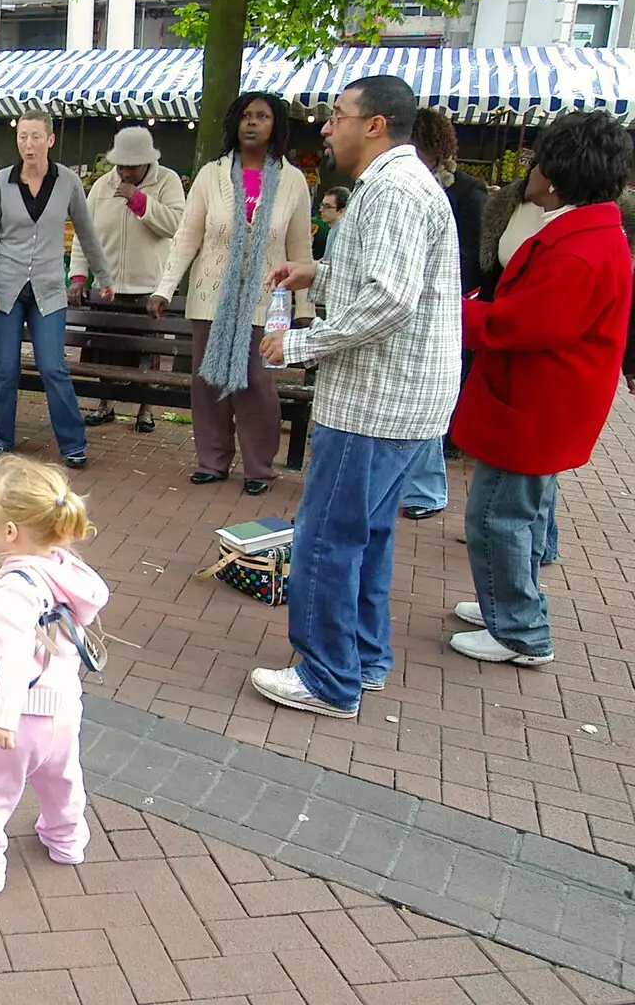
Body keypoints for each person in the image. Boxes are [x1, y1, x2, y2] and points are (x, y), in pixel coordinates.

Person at [250, 75, 461, 718]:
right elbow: (389, 278)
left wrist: (305, 345)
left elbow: (390, 299)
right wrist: (322, 269)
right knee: (365, 534)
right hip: (401, 401)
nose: (325, 126)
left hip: (376, 401)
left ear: (374, 124)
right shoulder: (400, 183)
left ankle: (328, 676)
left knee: (326, 538)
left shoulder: (393, 188)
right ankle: (362, 659)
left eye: (337, 115)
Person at [447, 111, 632, 669]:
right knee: (519, 513)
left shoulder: (580, 246)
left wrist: (455, 312)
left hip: (535, 402)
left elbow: (525, 325)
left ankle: (521, 630)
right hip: (544, 400)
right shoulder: (590, 232)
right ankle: (506, 604)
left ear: (555, 172)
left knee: (496, 516)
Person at [0, 455, 108, 898]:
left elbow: (11, 658)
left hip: (19, 717)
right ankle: (66, 840)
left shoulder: (10, 593)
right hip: (64, 708)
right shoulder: (65, 572)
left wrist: (2, 717)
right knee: (63, 778)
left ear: (10, 532)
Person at [150, 92, 313, 496]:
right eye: (245, 116)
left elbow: (300, 252)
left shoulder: (293, 182)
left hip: (266, 302)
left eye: (262, 116)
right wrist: (164, 288)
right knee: (207, 381)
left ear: (276, 125)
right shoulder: (212, 175)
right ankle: (212, 461)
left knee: (258, 382)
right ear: (234, 124)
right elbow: (187, 237)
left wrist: (305, 307)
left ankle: (259, 467)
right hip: (211, 299)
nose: (252, 123)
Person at [0, 110, 110, 469]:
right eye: (22, 137)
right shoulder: (1, 183)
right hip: (5, 286)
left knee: (53, 367)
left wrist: (103, 276)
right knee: (6, 367)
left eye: (35, 137)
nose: (28, 144)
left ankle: (72, 442)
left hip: (48, 288)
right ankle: (1, 435)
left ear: (50, 140)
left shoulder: (68, 183)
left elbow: (86, 231)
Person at [401, 108, 491, 522]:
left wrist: (436, 283)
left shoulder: (468, 193)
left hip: (442, 305)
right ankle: (411, 484)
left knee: (425, 395)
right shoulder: (395, 184)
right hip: (404, 299)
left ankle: (427, 488)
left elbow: (476, 256)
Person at [69, 126, 185, 434]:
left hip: (149, 287)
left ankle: (145, 410)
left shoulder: (168, 182)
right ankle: (105, 405)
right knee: (105, 353)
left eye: (131, 167)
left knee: (145, 356)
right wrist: (79, 275)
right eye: (121, 166)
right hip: (106, 287)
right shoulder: (101, 186)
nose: (125, 173)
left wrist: (140, 201)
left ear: (147, 162)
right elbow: (84, 233)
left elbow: (177, 226)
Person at [314, 187, 348, 260]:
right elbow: (326, 260)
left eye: (327, 206)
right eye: (322, 205)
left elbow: (331, 265)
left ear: (341, 211)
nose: (321, 210)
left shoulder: (342, 232)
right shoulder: (334, 229)